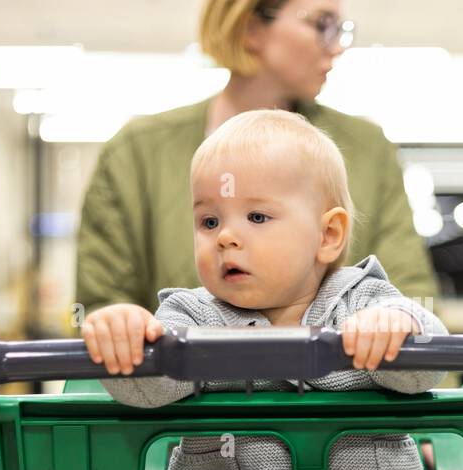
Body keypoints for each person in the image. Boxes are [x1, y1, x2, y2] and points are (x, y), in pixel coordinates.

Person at [80, 109, 463, 470]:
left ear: (327, 236)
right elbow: (148, 390)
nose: (226, 238)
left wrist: (398, 329)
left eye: (257, 218)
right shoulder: (191, 317)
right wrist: (128, 341)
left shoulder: (365, 300)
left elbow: (430, 366)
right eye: (209, 221)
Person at [75, 0, 436, 320]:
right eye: (322, 25)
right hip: (183, 392)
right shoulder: (137, 152)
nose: (337, 47)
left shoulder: (367, 148)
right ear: (251, 26)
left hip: (337, 394)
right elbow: (101, 306)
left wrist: (399, 330)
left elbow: (412, 297)